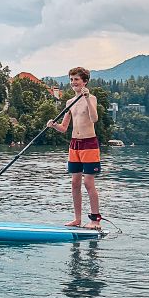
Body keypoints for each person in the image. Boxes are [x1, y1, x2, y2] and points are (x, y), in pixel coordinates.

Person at [47, 67, 102, 229]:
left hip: (89, 144)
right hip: (74, 144)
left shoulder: (91, 98)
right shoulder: (69, 102)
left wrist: (86, 98)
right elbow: (64, 128)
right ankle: (77, 219)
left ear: (84, 81)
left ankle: (95, 220)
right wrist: (53, 125)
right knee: (75, 182)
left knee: (88, 182)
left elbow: (94, 118)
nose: (73, 83)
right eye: (71, 80)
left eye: (76, 79)